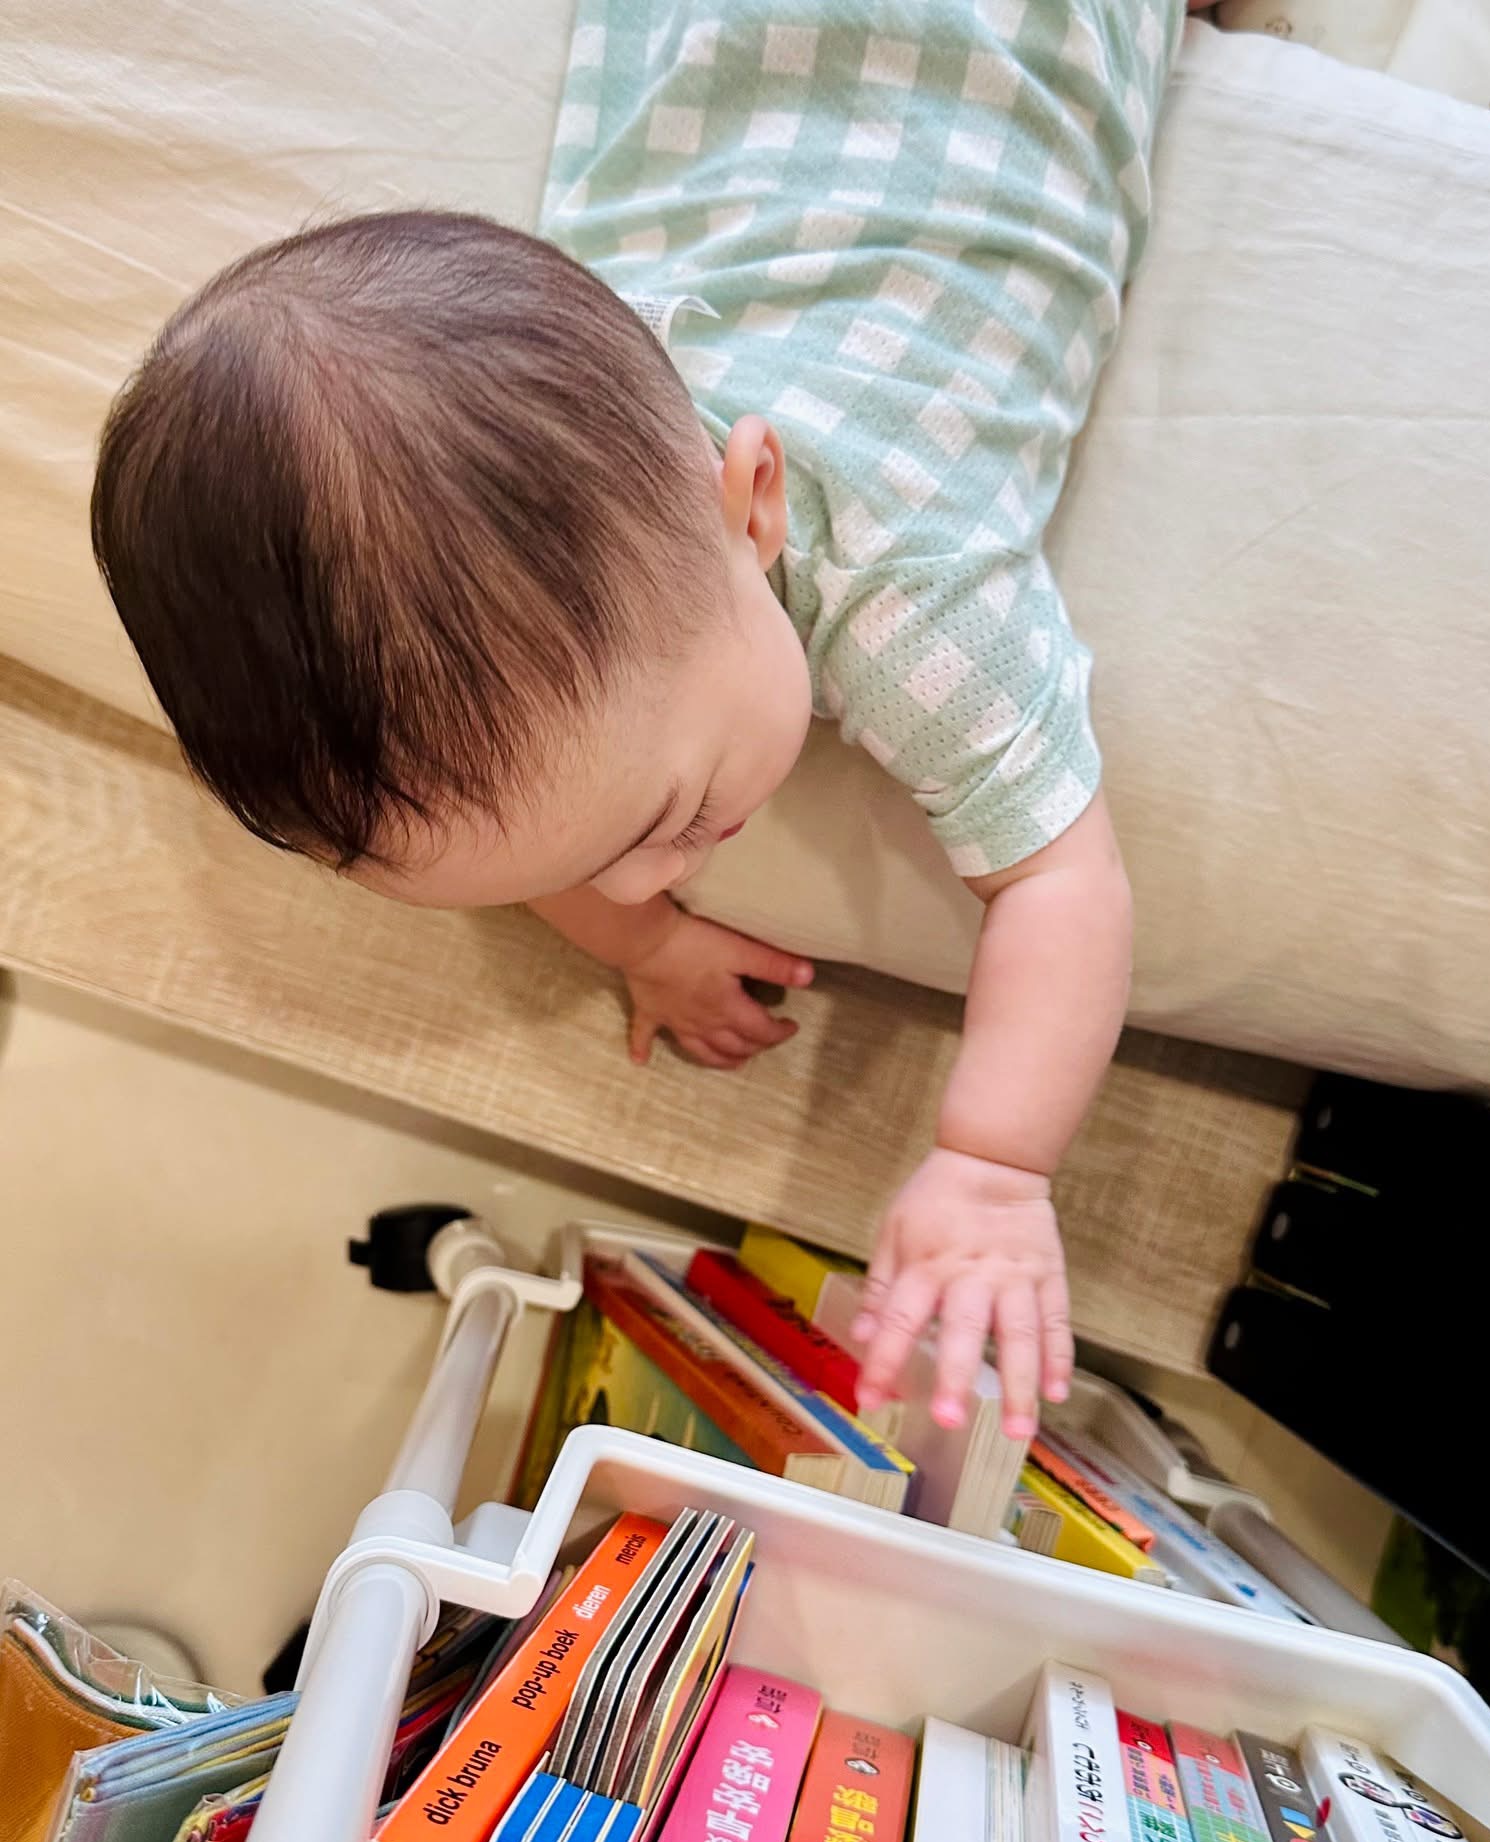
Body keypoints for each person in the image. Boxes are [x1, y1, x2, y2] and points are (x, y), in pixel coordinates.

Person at [91, 0, 1186, 1440]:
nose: (637, 881)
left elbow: (1061, 877)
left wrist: (993, 1166)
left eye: (669, 822)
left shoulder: (910, 596)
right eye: (581, 869)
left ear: (757, 509)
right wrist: (647, 945)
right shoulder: (570, 421)